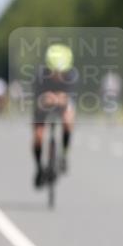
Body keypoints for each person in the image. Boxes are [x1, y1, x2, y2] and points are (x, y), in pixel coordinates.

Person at [33, 43, 77, 187]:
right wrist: (46, 99)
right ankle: (39, 168)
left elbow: (70, 97)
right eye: (54, 72)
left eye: (61, 72)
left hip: (62, 104)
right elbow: (37, 101)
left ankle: (64, 154)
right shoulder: (40, 76)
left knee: (68, 119)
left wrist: (59, 99)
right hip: (43, 104)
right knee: (39, 136)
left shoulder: (71, 75)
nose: (58, 76)